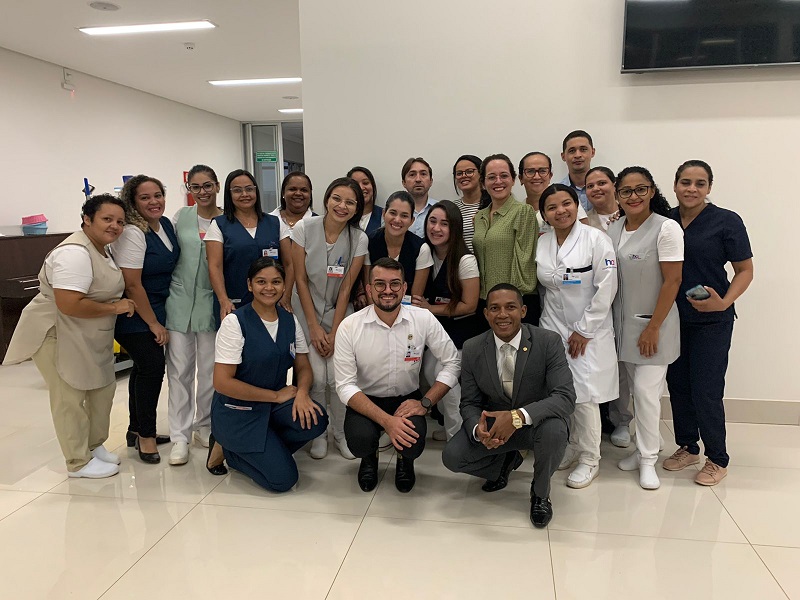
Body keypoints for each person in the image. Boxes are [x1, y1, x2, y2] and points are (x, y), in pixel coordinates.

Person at [4, 195, 134, 478]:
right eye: (107, 219)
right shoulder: (74, 253)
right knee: (69, 397)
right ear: (87, 219)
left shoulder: (102, 250)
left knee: (101, 390)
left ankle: (93, 445)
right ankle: (78, 461)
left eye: (120, 221)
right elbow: (69, 304)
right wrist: (115, 307)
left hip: (89, 333)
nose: (114, 226)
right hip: (58, 332)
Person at [442, 284, 575, 528]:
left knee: (555, 431)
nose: (502, 314)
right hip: (496, 427)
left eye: (510, 307)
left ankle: (540, 493)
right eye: (494, 308)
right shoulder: (472, 348)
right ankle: (504, 463)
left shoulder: (548, 342)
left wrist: (516, 417)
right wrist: (478, 430)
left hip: (537, 422)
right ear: (486, 314)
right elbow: (470, 402)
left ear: (523, 311)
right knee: (453, 457)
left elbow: (565, 397)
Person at [334, 258, 460, 493]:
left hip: (407, 399)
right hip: (366, 399)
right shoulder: (349, 326)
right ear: (369, 289)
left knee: (412, 442)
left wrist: (426, 402)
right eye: (380, 284)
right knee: (359, 442)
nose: (388, 290)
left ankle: (405, 460)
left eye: (394, 284)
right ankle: (369, 458)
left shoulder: (423, 319)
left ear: (404, 288)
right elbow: (345, 386)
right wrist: (387, 422)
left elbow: (452, 361)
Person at [663, 160, 753, 486]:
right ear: (675, 185)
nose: (692, 189)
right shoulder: (666, 220)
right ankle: (688, 446)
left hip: (712, 321)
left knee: (706, 389)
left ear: (709, 188)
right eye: (685, 182)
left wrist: (725, 302)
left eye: (700, 183)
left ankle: (717, 458)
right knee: (678, 385)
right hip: (673, 317)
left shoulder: (726, 221)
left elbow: (745, 270)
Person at [207, 258, 328, 492]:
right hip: (238, 412)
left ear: (284, 285)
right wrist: (275, 396)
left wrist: (302, 393)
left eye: (276, 282)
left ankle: (265, 448)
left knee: (316, 418)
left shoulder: (289, 320)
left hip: (272, 409)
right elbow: (222, 383)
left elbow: (303, 366)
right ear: (250, 285)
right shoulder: (235, 323)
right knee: (283, 480)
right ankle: (230, 452)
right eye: (261, 282)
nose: (269, 288)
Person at [536, 185, 618, 489]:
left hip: (587, 330)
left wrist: (584, 330)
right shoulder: (543, 242)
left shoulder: (596, 240)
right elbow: (547, 288)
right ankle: (571, 445)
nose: (561, 211)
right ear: (544, 214)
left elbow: (607, 288)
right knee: (560, 391)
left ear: (576, 206)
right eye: (552, 207)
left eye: (566, 203)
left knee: (584, 395)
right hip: (552, 327)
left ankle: (590, 458)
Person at [608, 166, 683, 490]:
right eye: (626, 191)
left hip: (654, 327)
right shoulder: (614, 228)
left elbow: (673, 281)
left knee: (645, 392)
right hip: (622, 327)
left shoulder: (666, 229)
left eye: (641, 189)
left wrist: (653, 327)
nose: (634, 196)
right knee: (633, 393)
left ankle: (649, 459)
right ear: (617, 195)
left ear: (652, 191)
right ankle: (642, 450)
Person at [291, 177, 367, 460]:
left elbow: (346, 287)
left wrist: (334, 332)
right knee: (317, 378)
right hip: (305, 312)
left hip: (339, 314)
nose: (342, 206)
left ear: (357, 208)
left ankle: (341, 434)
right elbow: (300, 279)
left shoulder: (359, 238)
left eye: (350, 202)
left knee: (338, 378)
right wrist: (313, 327)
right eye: (337, 198)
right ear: (326, 199)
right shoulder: (303, 228)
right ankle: (319, 434)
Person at [112, 175, 180, 464]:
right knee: (152, 369)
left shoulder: (164, 225)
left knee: (142, 370)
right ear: (133, 202)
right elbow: (132, 284)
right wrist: (153, 323)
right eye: (145, 197)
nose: (154, 202)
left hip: (156, 306)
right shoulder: (132, 232)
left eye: (158, 195)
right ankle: (147, 438)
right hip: (135, 313)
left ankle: (135, 429)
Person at [164, 165, 223, 466]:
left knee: (210, 371)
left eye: (207, 185)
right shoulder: (180, 217)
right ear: (189, 189)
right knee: (179, 371)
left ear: (217, 186)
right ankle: (179, 436)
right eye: (195, 187)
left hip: (211, 305)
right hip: (179, 303)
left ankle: (205, 426)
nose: (202, 192)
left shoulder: (227, 219)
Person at [412, 200, 481, 440]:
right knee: (428, 372)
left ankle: (459, 434)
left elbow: (470, 304)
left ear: (455, 228)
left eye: (444, 224)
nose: (436, 228)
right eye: (432, 221)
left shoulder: (465, 260)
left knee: (443, 374)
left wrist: (431, 308)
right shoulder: (426, 254)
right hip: (437, 330)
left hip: (462, 330)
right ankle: (453, 423)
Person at [206, 169, 292, 326]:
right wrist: (223, 300)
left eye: (249, 189)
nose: (244, 194)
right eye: (237, 190)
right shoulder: (219, 225)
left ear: (256, 191)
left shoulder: (275, 223)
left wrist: (286, 296)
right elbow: (214, 267)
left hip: (272, 302)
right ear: (229, 194)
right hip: (234, 303)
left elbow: (289, 263)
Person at [584, 166, 632, 448]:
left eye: (602, 183)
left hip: (627, 300)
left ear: (614, 185)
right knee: (598, 364)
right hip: (595, 302)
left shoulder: (631, 215)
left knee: (623, 366)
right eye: (590, 186)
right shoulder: (583, 220)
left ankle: (622, 420)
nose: (596, 189)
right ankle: (597, 421)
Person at [472, 153, 539, 324]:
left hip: (514, 303)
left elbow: (525, 262)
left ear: (513, 179)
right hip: (485, 301)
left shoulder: (523, 211)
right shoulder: (479, 217)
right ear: (483, 183)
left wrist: (509, 302)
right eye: (491, 177)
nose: (498, 181)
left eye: (504, 176)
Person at [364, 190, 433, 300]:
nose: (397, 220)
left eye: (404, 216)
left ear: (412, 221)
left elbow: (415, 299)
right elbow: (370, 293)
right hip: (376, 306)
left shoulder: (421, 249)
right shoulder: (369, 242)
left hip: (408, 307)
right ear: (383, 214)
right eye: (393, 213)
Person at [521, 151, 587, 236]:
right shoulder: (519, 211)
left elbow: (586, 234)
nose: (537, 176)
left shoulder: (568, 202)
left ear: (550, 175)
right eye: (530, 171)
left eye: (543, 171)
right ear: (521, 178)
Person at [451, 154, 488, 252]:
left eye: (469, 172)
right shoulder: (452, 208)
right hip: (462, 260)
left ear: (481, 174)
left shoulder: (492, 204)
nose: (464, 176)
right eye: (459, 173)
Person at [269, 171, 314, 240]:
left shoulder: (319, 224)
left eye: (303, 190)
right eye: (292, 189)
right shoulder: (266, 221)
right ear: (283, 193)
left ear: (310, 194)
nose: (298, 193)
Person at [559, 130, 596, 213]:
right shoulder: (557, 192)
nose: (577, 155)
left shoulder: (607, 188)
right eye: (572, 151)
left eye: (583, 149)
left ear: (592, 152)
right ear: (563, 156)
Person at [401, 157, 437, 238]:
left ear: (431, 181)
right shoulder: (394, 212)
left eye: (423, 174)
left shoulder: (440, 209)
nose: (418, 179)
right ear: (404, 183)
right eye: (412, 175)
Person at [347, 166, 383, 234]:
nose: (361, 187)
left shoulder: (384, 215)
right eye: (356, 184)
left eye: (365, 183)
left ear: (373, 186)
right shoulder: (343, 214)